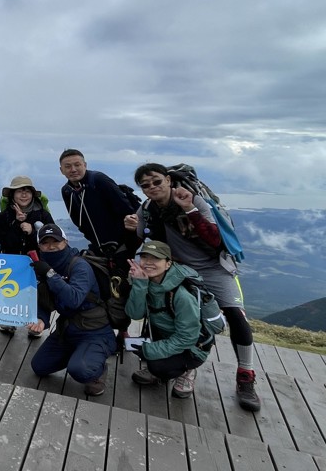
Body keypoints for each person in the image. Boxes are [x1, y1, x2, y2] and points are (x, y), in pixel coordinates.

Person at [125, 162, 261, 412]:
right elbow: (148, 239)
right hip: (176, 268)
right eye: (145, 185)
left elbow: (215, 238)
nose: (152, 187)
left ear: (167, 180)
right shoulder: (147, 209)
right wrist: (135, 228)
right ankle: (176, 367)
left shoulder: (192, 200)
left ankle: (246, 376)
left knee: (236, 317)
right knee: (161, 311)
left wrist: (189, 208)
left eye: (156, 181)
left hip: (213, 268)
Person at [29, 224, 115, 396]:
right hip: (67, 330)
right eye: (45, 243)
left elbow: (74, 299)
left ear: (66, 242)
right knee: (39, 366)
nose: (51, 246)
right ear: (39, 246)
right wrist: (41, 319)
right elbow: (45, 299)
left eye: (56, 241)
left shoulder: (79, 266)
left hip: (95, 331)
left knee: (81, 370)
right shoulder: (44, 267)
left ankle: (97, 368)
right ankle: (82, 354)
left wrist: (50, 274)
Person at [124, 241, 209, 399]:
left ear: (168, 264)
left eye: (155, 259)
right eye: (144, 257)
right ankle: (163, 362)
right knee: (146, 354)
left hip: (193, 347)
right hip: (165, 334)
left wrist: (150, 350)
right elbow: (134, 314)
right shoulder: (145, 280)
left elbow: (187, 338)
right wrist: (140, 285)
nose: (148, 262)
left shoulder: (182, 296)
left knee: (156, 366)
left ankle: (187, 371)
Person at [60, 149, 141, 267]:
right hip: (98, 248)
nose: (73, 169)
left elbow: (126, 210)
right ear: (61, 170)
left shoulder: (98, 180)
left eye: (77, 165)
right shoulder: (67, 191)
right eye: (68, 166)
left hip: (121, 246)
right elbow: (78, 221)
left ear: (85, 165)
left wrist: (123, 242)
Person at [0, 175, 54, 337]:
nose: (23, 194)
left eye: (27, 191)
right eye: (19, 191)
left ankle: (35, 323)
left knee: (38, 292)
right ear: (12, 195)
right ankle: (10, 321)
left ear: (33, 194)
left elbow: (51, 240)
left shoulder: (43, 215)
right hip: (12, 261)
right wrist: (16, 224)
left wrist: (32, 232)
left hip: (37, 262)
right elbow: (5, 241)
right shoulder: (4, 217)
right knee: (10, 291)